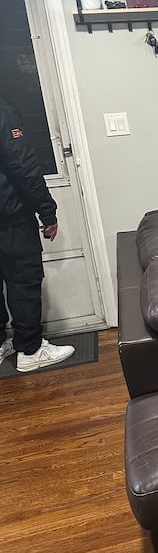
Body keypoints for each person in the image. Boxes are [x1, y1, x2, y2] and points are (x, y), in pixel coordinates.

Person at [0, 95, 75, 372]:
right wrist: (47, 211)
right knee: (23, 281)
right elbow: (23, 165)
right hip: (10, 219)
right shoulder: (3, 111)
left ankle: (1, 344)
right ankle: (30, 351)